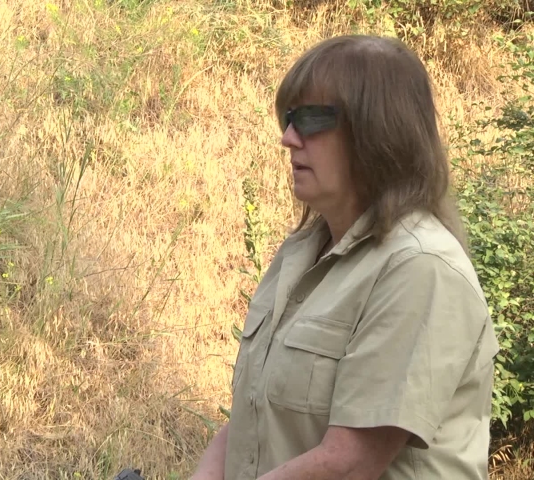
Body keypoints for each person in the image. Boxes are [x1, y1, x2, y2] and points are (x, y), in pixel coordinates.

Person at [190, 35, 500, 480]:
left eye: (312, 119)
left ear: (378, 131)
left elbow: (348, 463)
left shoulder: (420, 268)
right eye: (288, 117)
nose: (289, 138)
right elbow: (251, 421)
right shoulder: (302, 253)